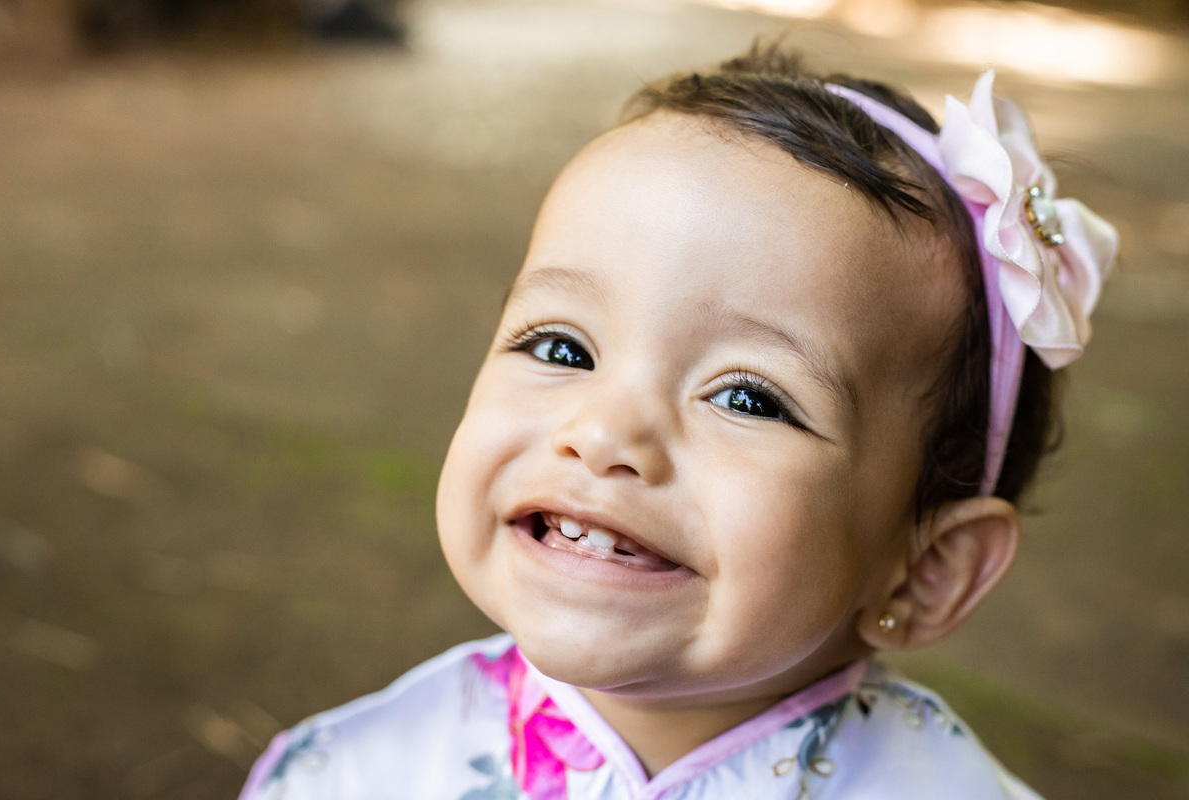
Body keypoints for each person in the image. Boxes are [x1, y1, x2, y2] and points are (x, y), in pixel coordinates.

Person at [238, 46, 1117, 800]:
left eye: (747, 398)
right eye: (561, 346)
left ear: (925, 570)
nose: (606, 431)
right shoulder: (356, 774)